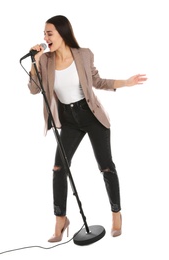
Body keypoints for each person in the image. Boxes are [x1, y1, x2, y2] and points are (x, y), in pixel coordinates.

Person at [28, 15, 147, 243]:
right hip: (69, 119)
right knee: (58, 168)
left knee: (106, 167)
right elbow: (34, 90)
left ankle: (116, 213)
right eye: (44, 33)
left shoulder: (83, 54)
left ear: (63, 33)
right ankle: (61, 220)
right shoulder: (45, 60)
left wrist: (126, 82)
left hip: (91, 115)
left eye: (49, 33)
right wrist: (35, 63)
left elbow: (97, 82)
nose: (45, 37)